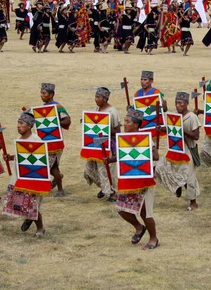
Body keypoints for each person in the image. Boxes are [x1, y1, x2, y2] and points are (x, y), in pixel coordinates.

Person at [112, 108, 160, 250]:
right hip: (128, 179)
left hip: (143, 179)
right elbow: (122, 156)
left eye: (127, 122)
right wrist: (108, 160)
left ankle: (154, 239)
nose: (124, 124)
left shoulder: (146, 139)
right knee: (121, 209)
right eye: (124, 121)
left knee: (145, 212)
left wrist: (148, 150)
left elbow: (156, 156)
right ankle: (139, 227)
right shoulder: (123, 138)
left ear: (136, 125)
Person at [2, 111, 46, 237]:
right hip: (19, 177)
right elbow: (21, 157)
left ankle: (40, 229)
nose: (18, 126)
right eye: (18, 123)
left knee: (33, 205)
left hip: (32, 177)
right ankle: (28, 218)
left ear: (29, 126)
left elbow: (39, 159)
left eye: (21, 123)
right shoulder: (18, 140)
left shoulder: (37, 140)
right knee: (22, 203)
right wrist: (10, 157)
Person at [154, 92, 201, 211]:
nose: (177, 105)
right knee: (161, 168)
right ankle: (177, 185)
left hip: (188, 151)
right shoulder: (174, 116)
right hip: (175, 149)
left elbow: (196, 136)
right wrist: (162, 129)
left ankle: (193, 202)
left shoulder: (192, 117)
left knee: (189, 177)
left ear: (186, 103)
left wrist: (182, 130)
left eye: (180, 103)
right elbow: (171, 129)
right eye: (176, 103)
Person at [83, 87, 120, 202]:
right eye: (95, 96)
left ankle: (113, 193)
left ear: (105, 98)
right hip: (96, 144)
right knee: (91, 168)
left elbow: (118, 131)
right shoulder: (96, 110)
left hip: (109, 144)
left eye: (98, 97)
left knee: (108, 169)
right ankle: (105, 187)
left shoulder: (113, 112)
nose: (96, 99)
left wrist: (104, 128)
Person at [40, 82, 71, 197]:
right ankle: (59, 184)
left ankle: (60, 189)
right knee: (51, 167)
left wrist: (53, 123)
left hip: (55, 142)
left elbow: (67, 121)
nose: (41, 95)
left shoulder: (58, 107)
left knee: (52, 167)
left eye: (44, 93)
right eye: (41, 93)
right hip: (45, 142)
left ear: (51, 94)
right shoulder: (42, 108)